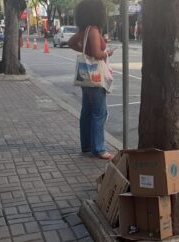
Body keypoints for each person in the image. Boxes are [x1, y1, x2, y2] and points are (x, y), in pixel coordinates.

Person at [67, 0, 114, 160]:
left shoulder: (85, 30)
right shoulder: (93, 30)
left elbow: (71, 43)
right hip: (95, 78)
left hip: (86, 77)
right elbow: (96, 54)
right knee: (98, 112)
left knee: (86, 111)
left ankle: (86, 145)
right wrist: (108, 53)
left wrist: (83, 49)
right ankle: (99, 148)